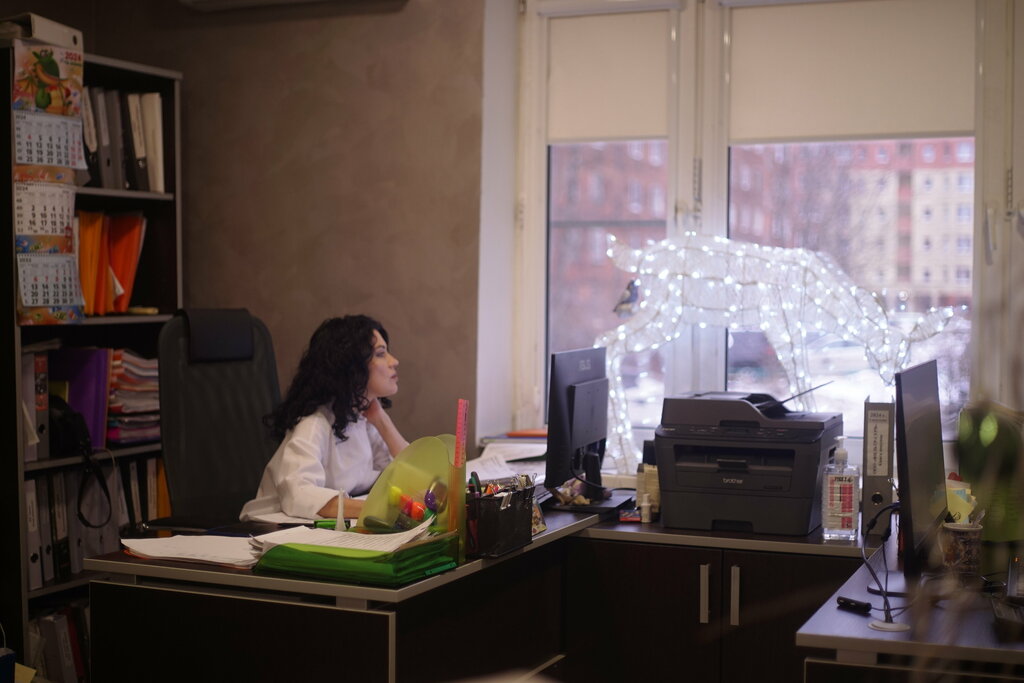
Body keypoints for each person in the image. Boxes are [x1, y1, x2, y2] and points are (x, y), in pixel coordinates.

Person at [239, 315, 409, 522]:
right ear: (351, 366)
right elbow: (298, 493)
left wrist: (382, 421)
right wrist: (378, 509)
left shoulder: (362, 419)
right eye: (381, 354)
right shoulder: (314, 423)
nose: (394, 361)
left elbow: (407, 474)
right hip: (272, 529)